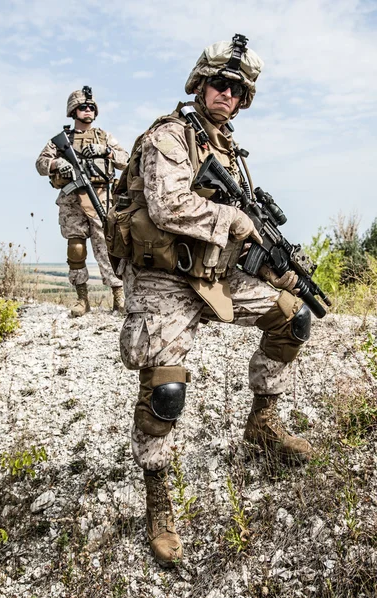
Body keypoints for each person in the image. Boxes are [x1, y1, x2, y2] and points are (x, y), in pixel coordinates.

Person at [112, 35, 313, 567]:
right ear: (199, 85)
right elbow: (168, 205)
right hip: (165, 283)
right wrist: (236, 221)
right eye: (219, 83)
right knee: (167, 392)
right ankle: (158, 503)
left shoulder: (229, 153)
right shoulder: (169, 137)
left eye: (237, 89)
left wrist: (280, 271)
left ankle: (262, 422)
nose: (227, 93)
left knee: (293, 320)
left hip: (215, 277)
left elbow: (246, 234)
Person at [36, 86, 129, 316]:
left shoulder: (104, 137)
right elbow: (40, 164)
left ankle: (119, 298)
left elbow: (126, 160)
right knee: (76, 248)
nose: (87, 110)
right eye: (82, 107)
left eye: (91, 107)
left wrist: (105, 151)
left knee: (108, 249)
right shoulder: (61, 140)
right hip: (71, 200)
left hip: (101, 198)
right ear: (73, 110)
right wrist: (57, 164)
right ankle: (82, 299)